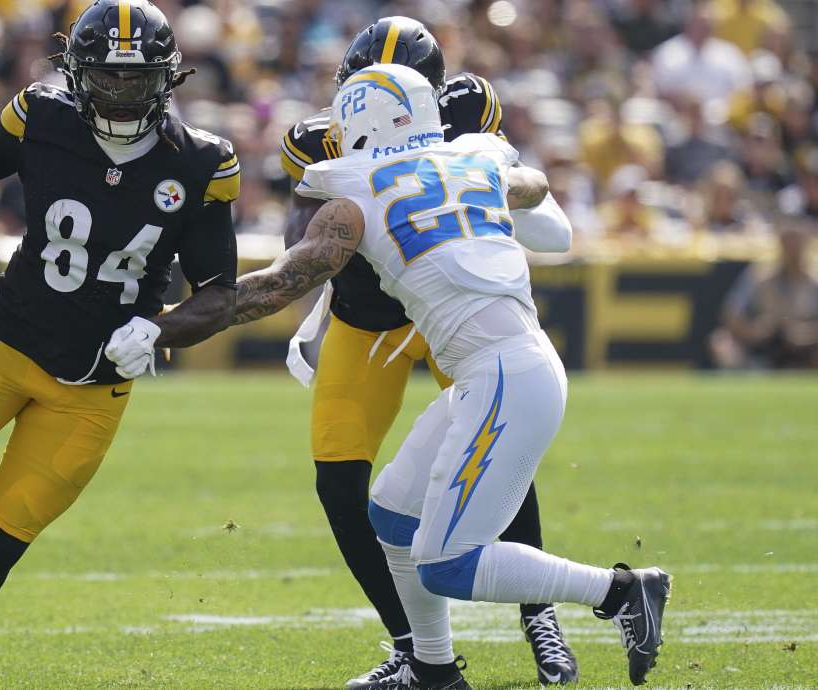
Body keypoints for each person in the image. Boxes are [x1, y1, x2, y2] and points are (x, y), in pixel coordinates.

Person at [111, 63, 672, 690]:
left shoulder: (356, 185)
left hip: (504, 378)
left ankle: (621, 591)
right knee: (393, 518)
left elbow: (278, 286)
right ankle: (432, 669)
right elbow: (535, 187)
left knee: (447, 566)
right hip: (499, 370)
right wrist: (490, 170)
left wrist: (166, 325)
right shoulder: (474, 160)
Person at [0, 1, 242, 687]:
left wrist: (159, 328)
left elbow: (219, 293)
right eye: (108, 78)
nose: (120, 93)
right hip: (5, 345)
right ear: (77, 73)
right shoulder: (42, 115)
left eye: (136, 80)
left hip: (92, 391)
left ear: (167, 79)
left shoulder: (203, 161)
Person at [274, 17, 577, 687]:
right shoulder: (317, 141)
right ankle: (414, 648)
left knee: (500, 452)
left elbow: (528, 209)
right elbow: (309, 237)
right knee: (340, 481)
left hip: (445, 313)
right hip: (369, 318)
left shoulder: (469, 111)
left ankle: (540, 613)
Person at [710, 227, 818, 369]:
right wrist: (756, 330)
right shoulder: (760, 276)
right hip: (763, 343)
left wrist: (805, 333)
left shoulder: (814, 279)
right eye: (788, 241)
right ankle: (747, 384)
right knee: (722, 343)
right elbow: (731, 314)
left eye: (797, 242)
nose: (792, 248)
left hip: (806, 347)